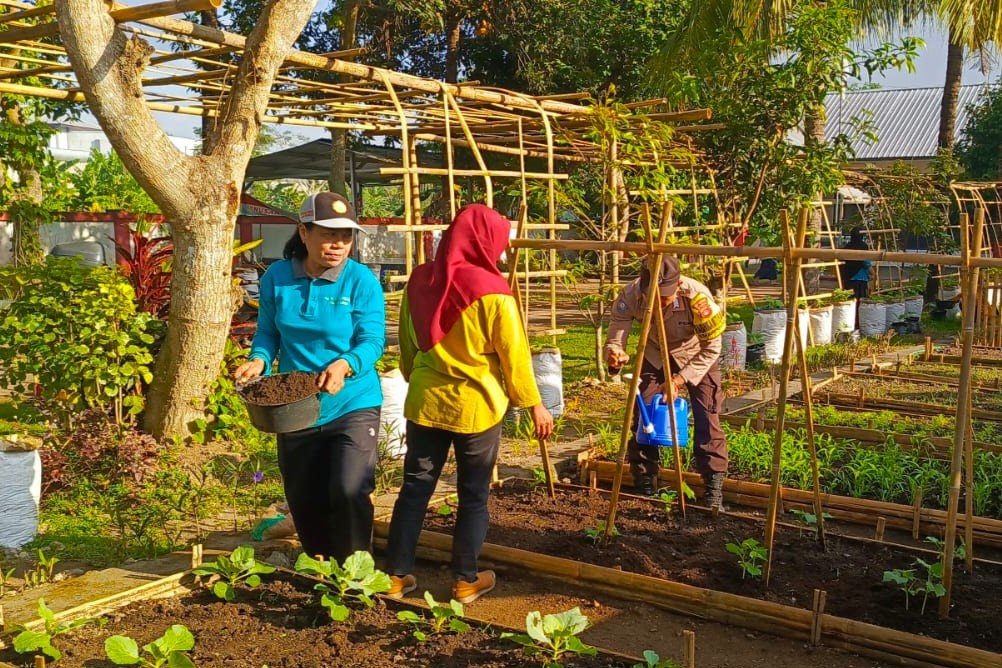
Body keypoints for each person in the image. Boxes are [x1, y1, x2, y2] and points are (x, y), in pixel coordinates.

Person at [385, 204, 554, 604]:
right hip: (475, 406)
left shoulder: (420, 280)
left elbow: (408, 344)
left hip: (425, 402)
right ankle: (465, 580)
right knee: (473, 493)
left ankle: (396, 576)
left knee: (414, 489)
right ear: (487, 241)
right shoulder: (495, 294)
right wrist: (534, 405)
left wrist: (418, 377)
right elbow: (514, 356)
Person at [234, 192, 385, 564]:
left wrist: (346, 363)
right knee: (304, 496)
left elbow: (372, 340)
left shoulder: (360, 281)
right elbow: (269, 332)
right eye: (328, 234)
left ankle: (355, 573)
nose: (338, 244)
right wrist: (259, 360)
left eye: (346, 236)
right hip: (296, 407)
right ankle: (320, 565)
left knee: (349, 490)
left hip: (352, 400)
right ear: (304, 233)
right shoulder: (278, 278)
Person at [605, 256, 728, 509]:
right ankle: (645, 481)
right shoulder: (630, 294)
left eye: (665, 296)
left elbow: (712, 348)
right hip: (654, 354)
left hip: (695, 356)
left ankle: (713, 485)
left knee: (708, 414)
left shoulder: (697, 297)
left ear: (677, 284)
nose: (659, 303)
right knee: (644, 414)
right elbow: (617, 332)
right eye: (653, 296)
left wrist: (680, 379)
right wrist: (615, 353)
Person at [841, 229, 871, 300]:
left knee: (850, 299)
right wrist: (873, 273)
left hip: (849, 275)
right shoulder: (863, 246)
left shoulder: (847, 246)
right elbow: (866, 262)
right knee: (860, 299)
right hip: (860, 276)